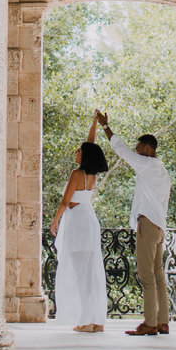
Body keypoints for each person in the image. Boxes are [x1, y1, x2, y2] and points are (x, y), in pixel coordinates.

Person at [96, 108, 172, 337]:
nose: (136, 150)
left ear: (148, 148)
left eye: (139, 147)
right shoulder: (163, 172)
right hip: (159, 225)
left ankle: (149, 322)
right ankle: (162, 321)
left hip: (147, 225)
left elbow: (120, 149)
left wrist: (105, 127)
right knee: (158, 275)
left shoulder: (146, 164)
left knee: (146, 275)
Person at [50, 113, 109, 333]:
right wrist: (94, 124)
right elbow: (91, 145)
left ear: (83, 156)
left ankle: (85, 321)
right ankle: (96, 320)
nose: (76, 152)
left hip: (77, 223)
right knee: (91, 271)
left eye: (78, 150)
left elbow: (65, 201)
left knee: (79, 271)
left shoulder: (77, 173)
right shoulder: (91, 174)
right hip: (89, 221)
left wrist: (54, 222)